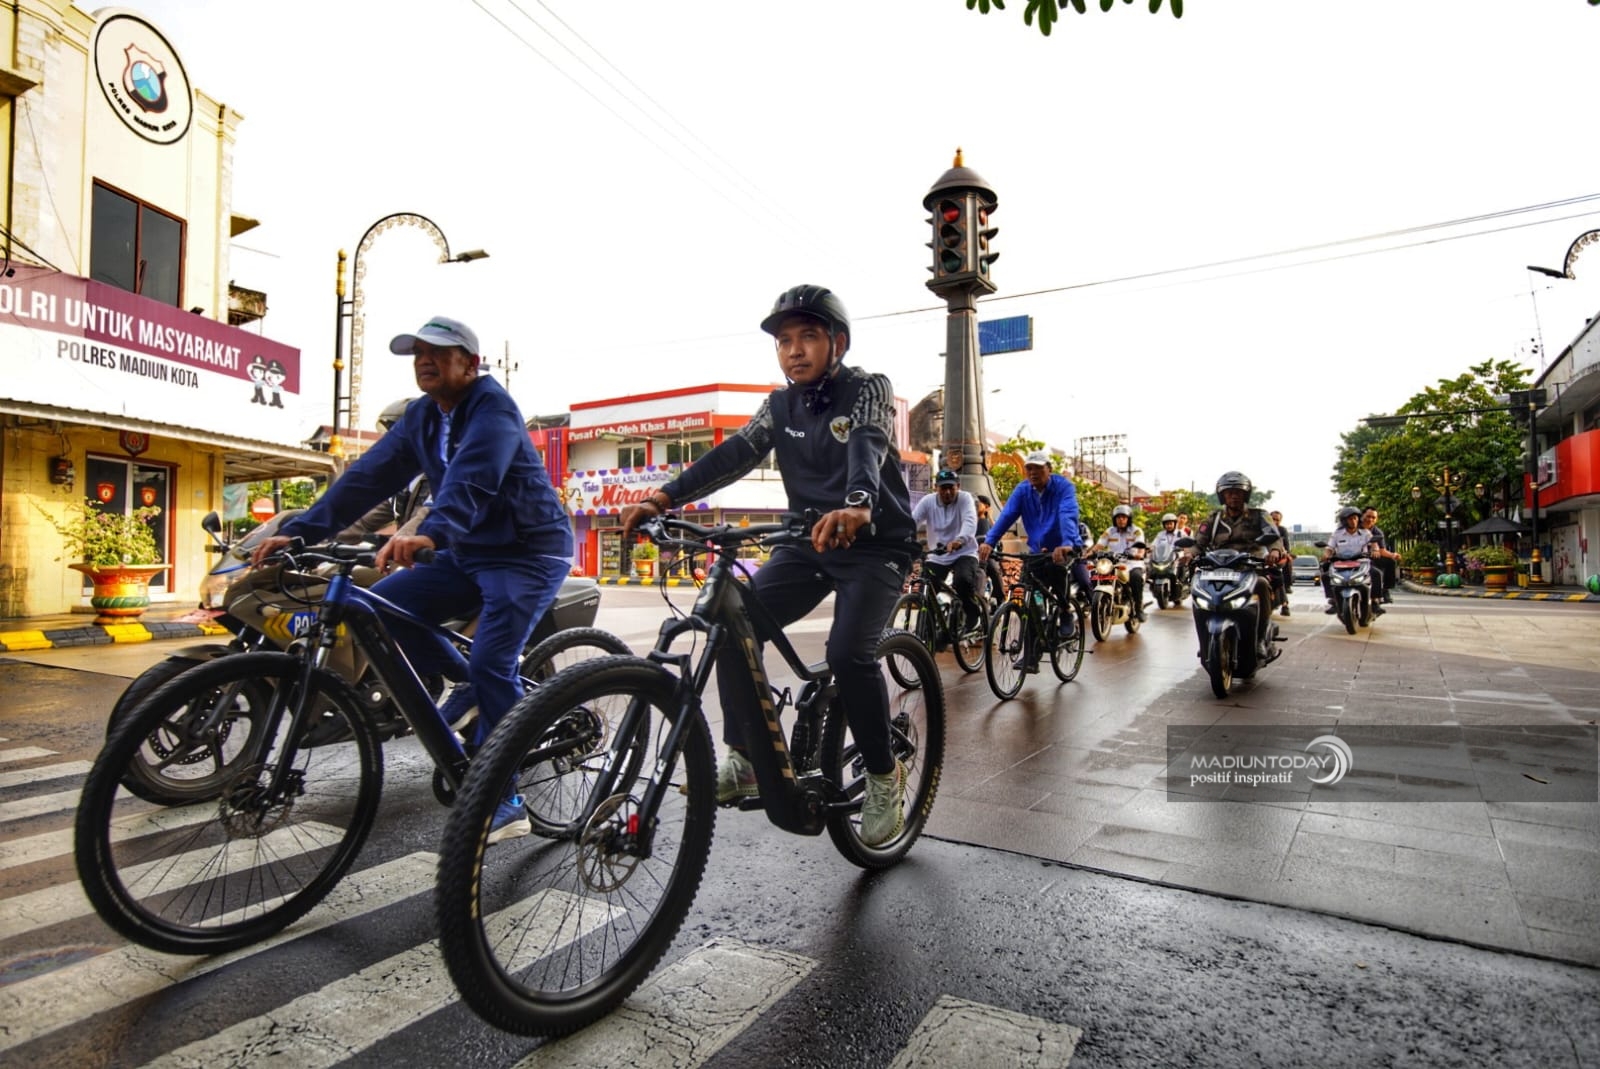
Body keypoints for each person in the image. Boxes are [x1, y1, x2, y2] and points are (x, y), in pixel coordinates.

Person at [252, 316, 573, 845]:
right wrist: (301, 530)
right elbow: (366, 478)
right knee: (378, 610)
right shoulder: (423, 416)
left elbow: (475, 476)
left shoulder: (493, 408)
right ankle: (468, 683)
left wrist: (431, 531)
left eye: (439, 352)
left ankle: (506, 796)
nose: (425, 361)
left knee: (493, 662)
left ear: (470, 364)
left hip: (526, 552)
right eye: (418, 353)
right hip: (466, 550)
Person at [619, 284, 915, 847]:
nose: (794, 350)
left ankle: (884, 775)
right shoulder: (779, 406)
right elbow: (735, 453)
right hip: (807, 542)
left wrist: (857, 504)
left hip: (875, 545)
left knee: (848, 654)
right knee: (734, 626)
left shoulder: (867, 388)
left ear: (838, 343)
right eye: (784, 341)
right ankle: (747, 756)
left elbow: (869, 442)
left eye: (808, 336)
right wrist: (663, 497)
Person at [977, 451, 1092, 659]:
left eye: (1038, 468)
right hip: (1037, 550)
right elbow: (1006, 516)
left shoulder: (1063, 487)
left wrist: (1066, 544)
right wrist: (989, 542)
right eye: (1029, 468)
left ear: (1049, 469)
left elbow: (1067, 514)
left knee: (1057, 570)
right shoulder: (1023, 490)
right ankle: (1032, 653)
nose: (1033, 472)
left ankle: (1065, 611)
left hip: (1063, 547)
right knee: (1026, 595)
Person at [1189, 471, 1282, 654]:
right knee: (1197, 589)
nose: (1233, 496)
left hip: (1249, 568)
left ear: (1245, 495)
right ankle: (1204, 642)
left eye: (1238, 492)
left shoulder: (1259, 515)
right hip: (1217, 569)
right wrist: (1188, 554)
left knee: (1262, 584)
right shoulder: (1214, 518)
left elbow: (1274, 538)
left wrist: (1275, 551)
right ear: (1222, 496)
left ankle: (1260, 639)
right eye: (1229, 493)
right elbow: (1198, 544)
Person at [913, 469, 984, 634]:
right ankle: (927, 630)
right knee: (926, 589)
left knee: (962, 581)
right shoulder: (927, 501)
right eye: (943, 488)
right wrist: (902, 538)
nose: (947, 492)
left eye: (951, 488)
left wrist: (960, 540)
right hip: (937, 555)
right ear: (936, 487)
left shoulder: (965, 499)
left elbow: (970, 521)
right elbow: (913, 520)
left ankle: (973, 616)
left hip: (964, 552)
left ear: (958, 486)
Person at [1321, 506, 1381, 615]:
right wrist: (1326, 555)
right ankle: (1333, 601)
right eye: (1350, 519)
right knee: (1325, 576)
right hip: (1341, 564)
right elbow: (1329, 548)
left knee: (1376, 573)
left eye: (1355, 518)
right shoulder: (1337, 534)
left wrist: (1375, 551)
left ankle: (1375, 601)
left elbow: (1374, 544)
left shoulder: (1365, 533)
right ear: (1344, 520)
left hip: (1361, 564)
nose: (1353, 521)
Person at [1092, 504, 1148, 621]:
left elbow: (1141, 547)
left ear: (1128, 518)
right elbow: (1099, 545)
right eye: (1118, 517)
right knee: (1094, 575)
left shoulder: (1136, 531)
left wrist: (1139, 554)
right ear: (1114, 519)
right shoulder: (1110, 531)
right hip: (1113, 563)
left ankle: (1139, 609)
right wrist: (1090, 553)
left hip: (1132, 564)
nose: (1121, 519)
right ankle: (1096, 603)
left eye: (1124, 517)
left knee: (1136, 577)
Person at [1361, 507, 1398, 604]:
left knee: (1390, 562)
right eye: (1368, 516)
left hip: (1370, 557)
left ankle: (1385, 591)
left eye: (1373, 517)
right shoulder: (1352, 528)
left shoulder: (1377, 532)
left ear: (1377, 519)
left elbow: (1381, 550)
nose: (1370, 520)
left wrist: (1392, 555)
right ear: (1362, 515)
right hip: (1352, 557)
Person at [1268, 509, 1293, 617]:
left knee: (1278, 575)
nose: (1274, 521)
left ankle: (1285, 602)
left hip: (1277, 558)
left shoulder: (1282, 530)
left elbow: (1285, 546)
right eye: (1272, 519)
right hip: (1261, 557)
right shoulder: (1262, 529)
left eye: (1277, 520)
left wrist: (1283, 552)